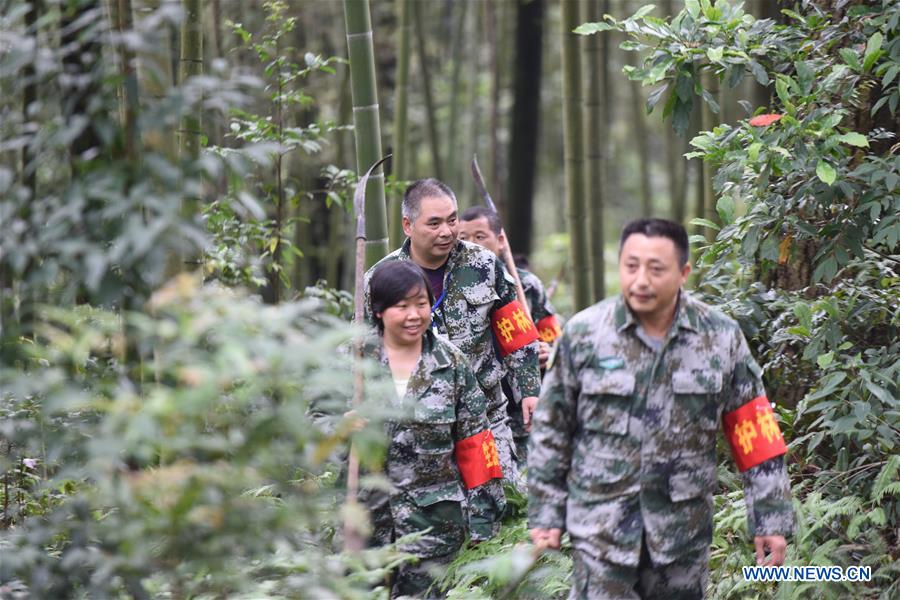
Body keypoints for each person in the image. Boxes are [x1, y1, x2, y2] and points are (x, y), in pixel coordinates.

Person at [528, 218, 794, 599]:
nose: (640, 280)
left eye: (656, 269)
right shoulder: (585, 334)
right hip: (600, 532)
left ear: (683, 272)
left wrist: (770, 517)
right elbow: (552, 428)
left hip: (681, 536)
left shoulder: (719, 337)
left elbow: (754, 433)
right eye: (631, 266)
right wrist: (546, 513)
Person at [365, 179, 542, 507]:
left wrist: (529, 388)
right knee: (429, 517)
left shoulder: (484, 265)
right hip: (416, 427)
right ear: (408, 225)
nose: (447, 231)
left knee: (504, 505)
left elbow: (515, 330)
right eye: (434, 223)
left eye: (452, 219)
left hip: (487, 416)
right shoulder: (380, 279)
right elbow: (364, 351)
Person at [365, 260, 505, 597]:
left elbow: (476, 443)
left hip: (435, 527)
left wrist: (483, 521)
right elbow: (316, 424)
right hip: (365, 525)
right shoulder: (352, 363)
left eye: (422, 304)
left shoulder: (451, 363)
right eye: (402, 306)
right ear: (380, 310)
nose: (414, 315)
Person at [458, 205, 562, 463]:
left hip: (521, 404)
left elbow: (555, 338)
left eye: (480, 236)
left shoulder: (526, 285)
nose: (472, 244)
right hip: (476, 404)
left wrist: (548, 353)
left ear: (500, 240)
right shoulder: (452, 285)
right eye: (463, 238)